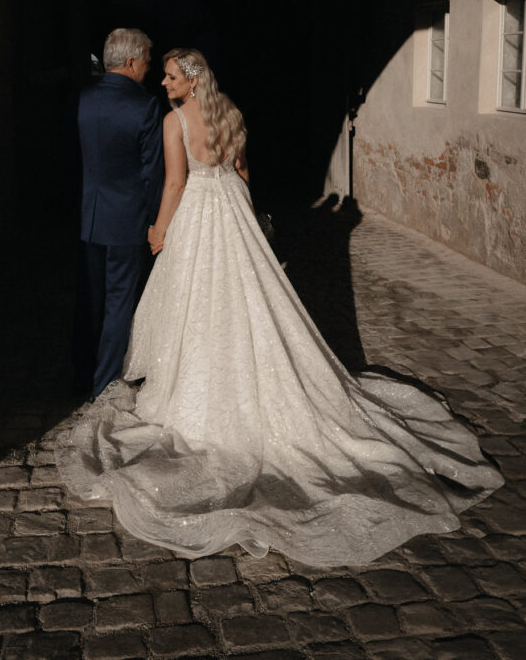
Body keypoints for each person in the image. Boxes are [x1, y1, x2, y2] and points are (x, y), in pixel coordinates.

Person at [56, 48, 503, 567]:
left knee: (198, 308)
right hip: (233, 216)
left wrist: (159, 229)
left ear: (193, 82)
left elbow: (175, 183)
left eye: (172, 76)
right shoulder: (233, 116)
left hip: (197, 217)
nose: (164, 81)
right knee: (248, 301)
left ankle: (204, 387)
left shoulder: (175, 122)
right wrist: (252, 229)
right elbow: (244, 175)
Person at [74, 28, 164, 400]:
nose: (148, 69)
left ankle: (81, 376)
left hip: (89, 217)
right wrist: (159, 221)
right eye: (146, 61)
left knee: (91, 301)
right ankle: (105, 386)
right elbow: (152, 174)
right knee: (119, 304)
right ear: (130, 62)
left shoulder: (82, 99)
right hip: (127, 220)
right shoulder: (145, 106)